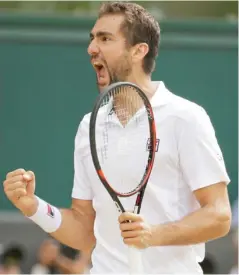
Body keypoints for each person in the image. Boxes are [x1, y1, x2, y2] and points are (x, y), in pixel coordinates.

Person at [2, 1, 232, 274]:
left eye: (105, 38)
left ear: (138, 50)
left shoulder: (186, 118)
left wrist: (154, 234)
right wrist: (33, 206)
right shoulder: (90, 125)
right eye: (92, 39)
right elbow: (85, 231)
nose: (91, 48)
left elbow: (219, 216)